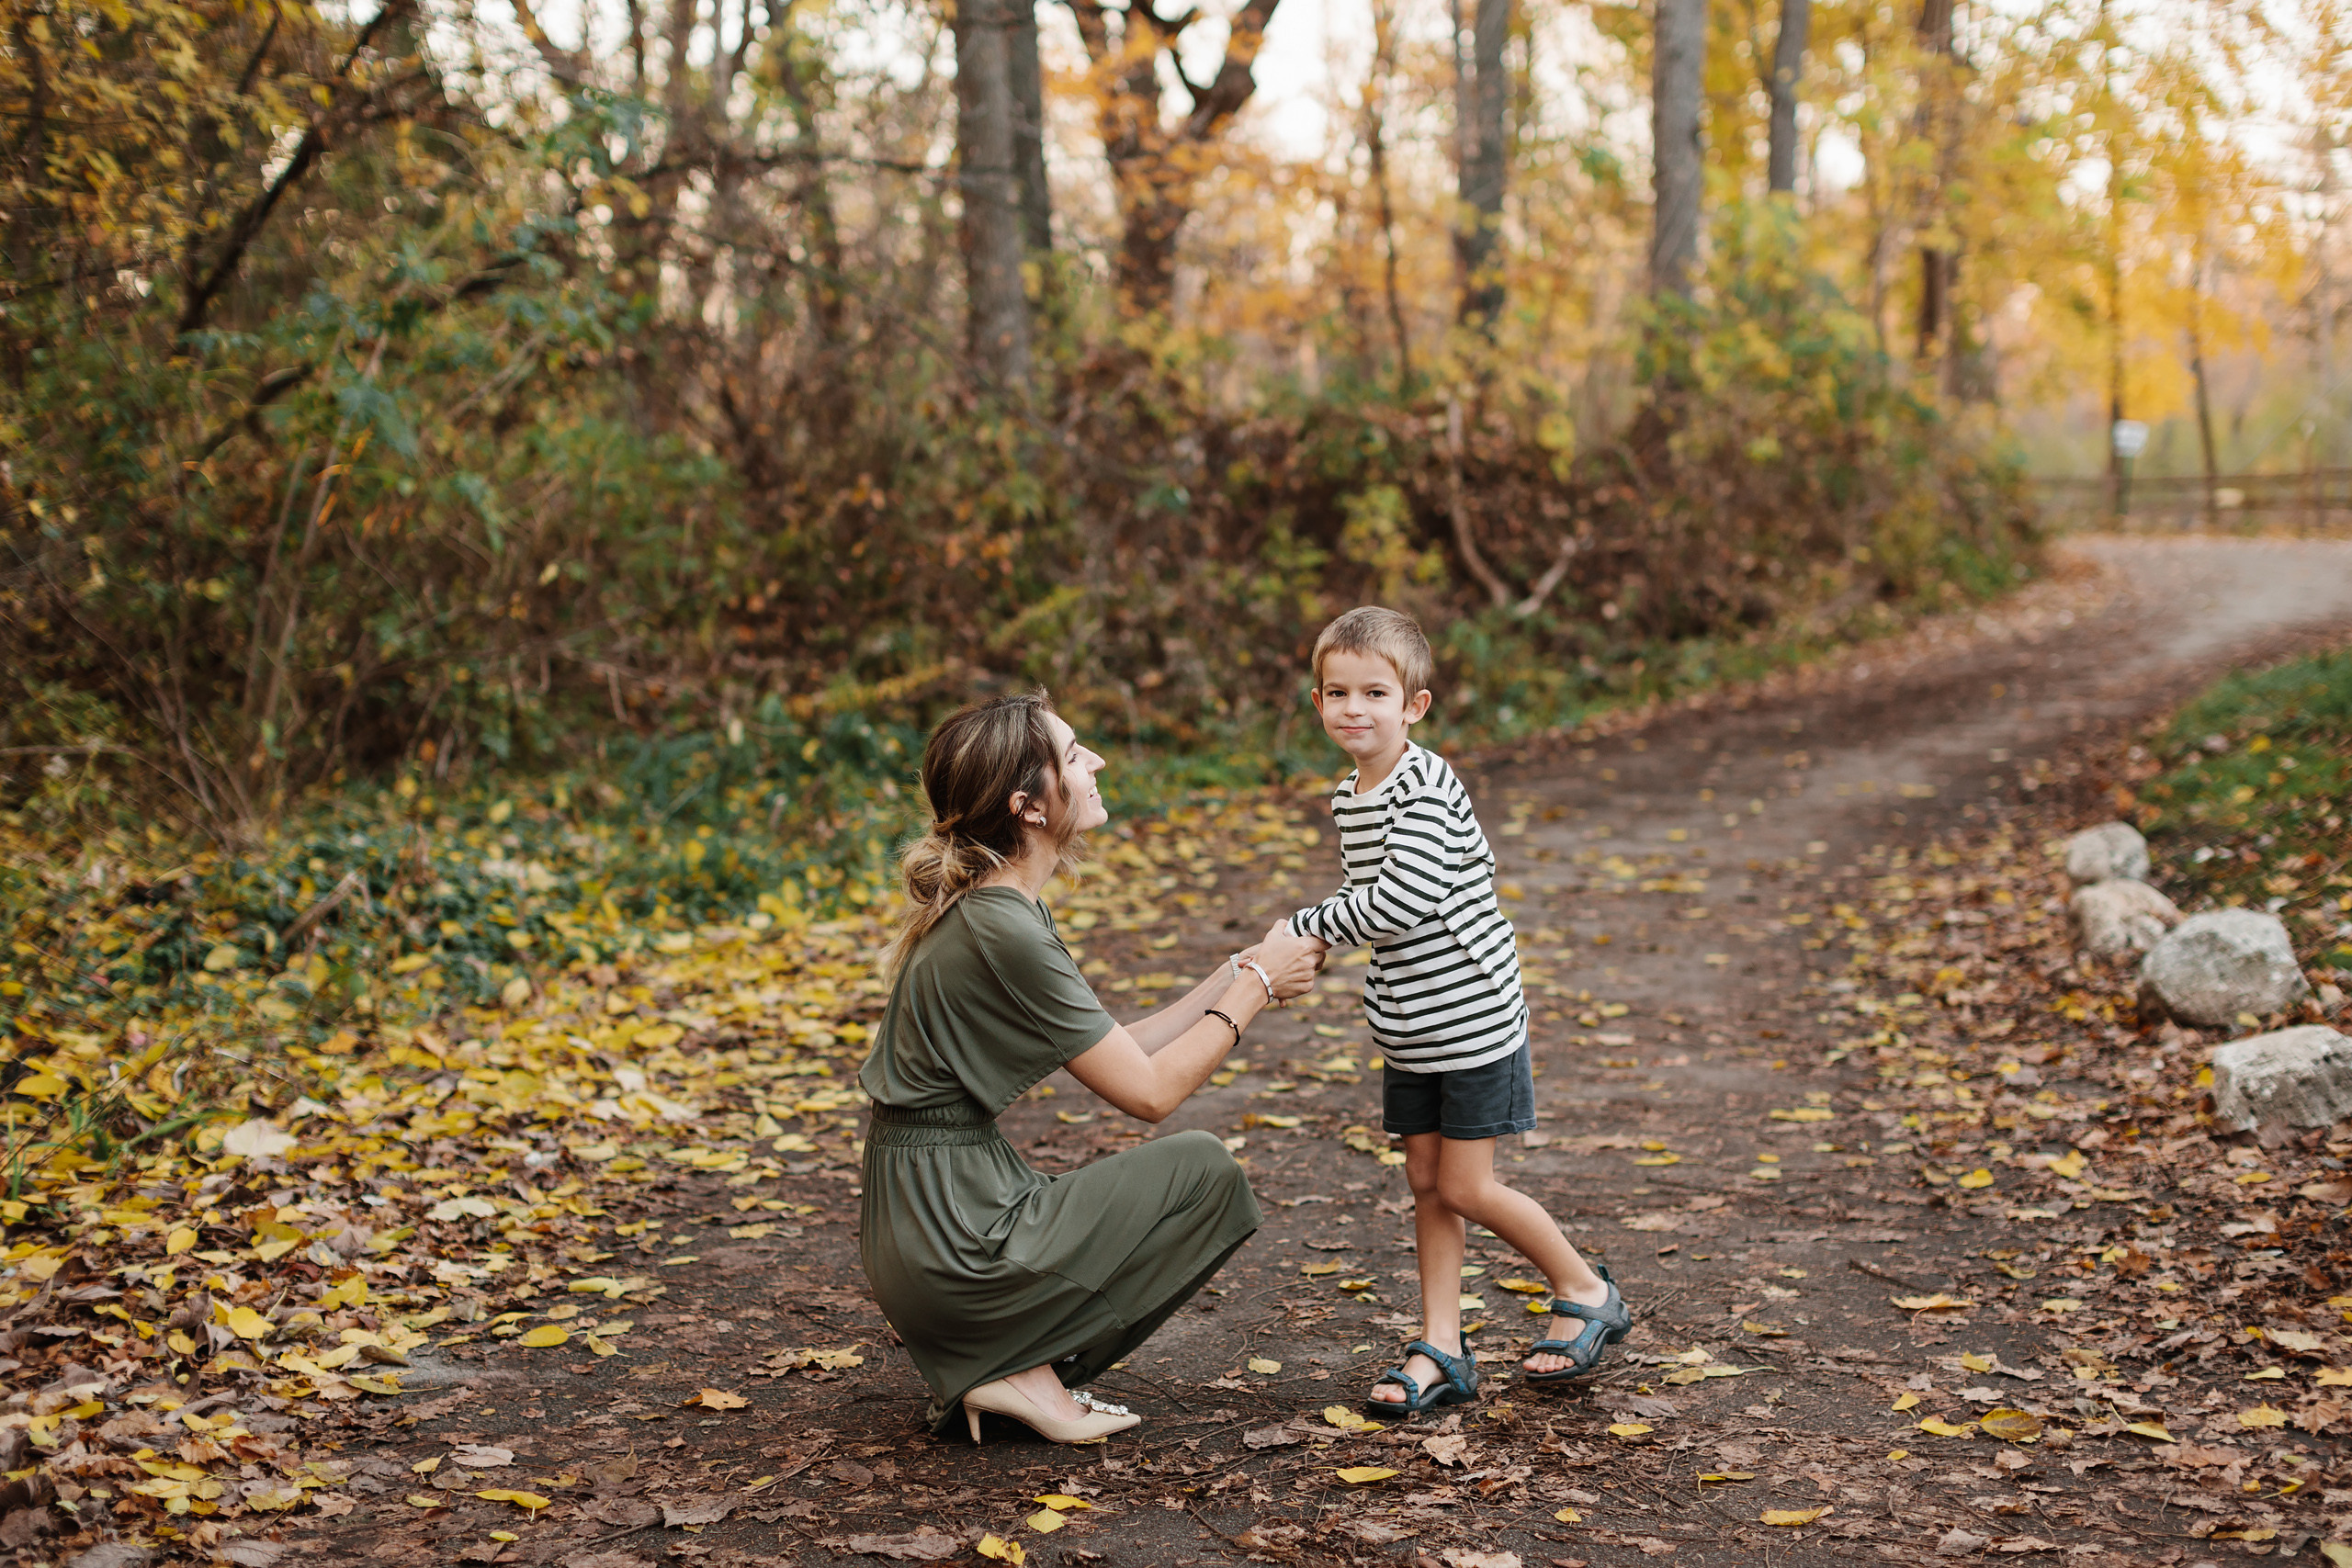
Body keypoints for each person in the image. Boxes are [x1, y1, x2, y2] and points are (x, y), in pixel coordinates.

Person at [857, 691, 1325, 1444]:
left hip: (930, 1209)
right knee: (1202, 1171)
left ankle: (1012, 1361)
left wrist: (1236, 969)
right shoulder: (1003, 926)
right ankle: (1013, 1361)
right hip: (947, 1233)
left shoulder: (1000, 908)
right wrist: (1258, 987)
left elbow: (1120, 1046)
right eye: (1073, 755)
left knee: (1197, 1173)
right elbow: (1150, 1092)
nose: (1096, 761)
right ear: (1028, 806)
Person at [1277, 607, 1631, 1414]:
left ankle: (1584, 1287)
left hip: (1471, 1017)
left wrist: (1309, 926)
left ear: (1414, 705)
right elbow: (1368, 895)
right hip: (1411, 1024)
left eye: (1375, 690)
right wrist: (1330, 924)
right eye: (1337, 692)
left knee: (1468, 1186)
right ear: (1317, 702)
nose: (1354, 707)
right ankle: (1442, 1344)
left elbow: (1403, 899)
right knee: (1428, 1183)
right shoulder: (1350, 793)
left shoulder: (1427, 785)